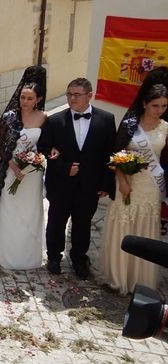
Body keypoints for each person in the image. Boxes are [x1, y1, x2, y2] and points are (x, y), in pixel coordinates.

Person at [40, 78, 116, 278]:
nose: (72, 98)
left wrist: (106, 183)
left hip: (89, 185)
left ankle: (78, 259)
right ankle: (54, 257)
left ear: (89, 95)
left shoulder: (106, 119)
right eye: (69, 94)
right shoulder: (55, 120)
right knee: (56, 222)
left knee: (82, 224)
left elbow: (110, 153)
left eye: (76, 94)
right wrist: (64, 167)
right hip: (61, 184)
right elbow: (44, 147)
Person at [101, 72, 168, 294]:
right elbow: (116, 155)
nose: (159, 110)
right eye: (155, 106)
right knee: (123, 225)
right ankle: (119, 279)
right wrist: (122, 180)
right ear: (144, 103)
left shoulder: (166, 128)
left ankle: (140, 280)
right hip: (127, 183)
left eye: (164, 106)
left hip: (151, 187)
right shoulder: (130, 125)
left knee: (144, 228)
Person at [0, 67, 49, 269]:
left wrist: (36, 161)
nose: (25, 101)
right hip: (12, 171)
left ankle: (26, 256)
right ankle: (2, 253)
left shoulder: (44, 118)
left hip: (32, 175)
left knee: (29, 212)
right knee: (8, 209)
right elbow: (0, 145)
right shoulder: (10, 117)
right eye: (22, 97)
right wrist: (13, 166)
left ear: (38, 99)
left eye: (29, 98)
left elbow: (46, 146)